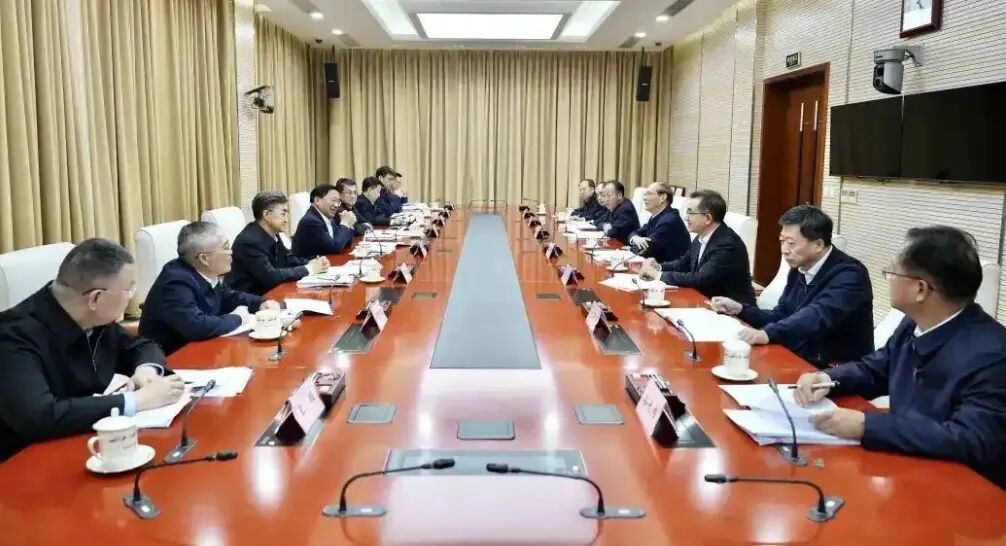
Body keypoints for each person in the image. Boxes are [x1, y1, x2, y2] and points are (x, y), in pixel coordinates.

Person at [794, 227, 1006, 489]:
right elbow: (879, 368)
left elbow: (971, 439)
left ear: (920, 289)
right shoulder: (914, 323)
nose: (888, 279)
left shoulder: (992, 355)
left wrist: (869, 426)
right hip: (909, 468)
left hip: (964, 492)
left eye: (893, 272)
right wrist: (827, 378)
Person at [0, 239, 185, 461]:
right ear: (96, 297)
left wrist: (146, 369)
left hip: (77, 440)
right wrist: (136, 401)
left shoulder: (92, 318)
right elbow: (39, 416)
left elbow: (142, 346)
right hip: (21, 460)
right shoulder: (13, 336)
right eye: (128, 290)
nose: (131, 296)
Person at [709, 205, 873, 368]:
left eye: (791, 243)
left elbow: (818, 315)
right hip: (798, 357)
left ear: (818, 245)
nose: (784, 250)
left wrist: (767, 334)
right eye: (782, 241)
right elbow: (782, 314)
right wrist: (741, 309)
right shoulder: (799, 268)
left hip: (837, 370)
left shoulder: (850, 274)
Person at [139, 222, 281, 355]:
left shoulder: (205, 272)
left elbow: (229, 297)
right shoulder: (175, 282)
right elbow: (197, 326)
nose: (231, 252)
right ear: (204, 259)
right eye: (226, 247)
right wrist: (238, 318)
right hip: (171, 360)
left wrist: (261, 303)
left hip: (201, 350)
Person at [640, 189, 755, 304]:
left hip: (731, 310)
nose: (686, 217)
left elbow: (701, 279)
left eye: (690, 212)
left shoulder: (727, 244)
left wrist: (658, 275)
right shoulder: (702, 236)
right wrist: (659, 267)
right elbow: (682, 264)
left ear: (708, 218)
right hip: (704, 301)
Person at [227, 191, 329, 296]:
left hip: (271, 292)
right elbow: (270, 277)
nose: (286, 219)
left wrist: (310, 262)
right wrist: (309, 269)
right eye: (283, 214)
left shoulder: (273, 233)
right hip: (251, 299)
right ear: (266, 214)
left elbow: (287, 259)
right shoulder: (249, 241)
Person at [628, 182, 690, 263]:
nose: (644, 198)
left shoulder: (669, 221)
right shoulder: (659, 216)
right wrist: (636, 239)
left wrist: (629, 249)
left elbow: (646, 249)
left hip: (669, 268)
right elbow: (635, 233)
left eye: (649, 194)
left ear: (662, 197)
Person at [292, 183, 357, 258]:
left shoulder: (328, 217)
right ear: (317, 201)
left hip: (327, 260)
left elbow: (343, 242)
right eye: (333, 200)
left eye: (338, 202)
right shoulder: (311, 221)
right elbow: (336, 247)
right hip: (309, 263)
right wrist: (345, 224)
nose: (336, 205)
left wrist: (349, 224)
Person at [592, 180, 639, 244]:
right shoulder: (613, 206)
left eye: (609, 195)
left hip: (625, 246)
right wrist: (605, 226)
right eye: (604, 196)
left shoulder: (626, 209)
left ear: (619, 195)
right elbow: (597, 222)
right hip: (615, 244)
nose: (606, 199)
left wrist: (607, 227)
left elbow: (614, 232)